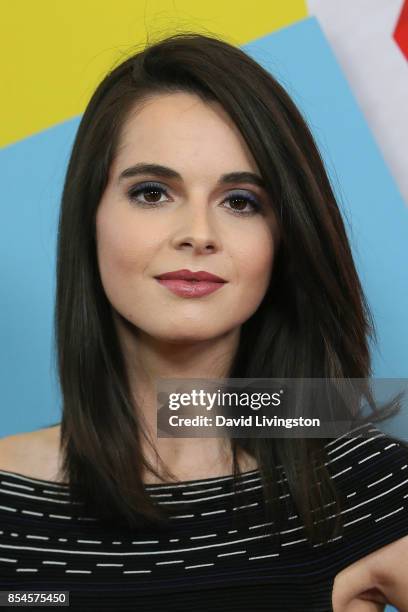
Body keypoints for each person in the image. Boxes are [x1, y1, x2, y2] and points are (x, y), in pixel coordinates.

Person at [1, 32, 408, 611]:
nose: (198, 233)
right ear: (89, 218)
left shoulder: (370, 487)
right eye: (151, 192)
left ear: (284, 238)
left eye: (240, 201)